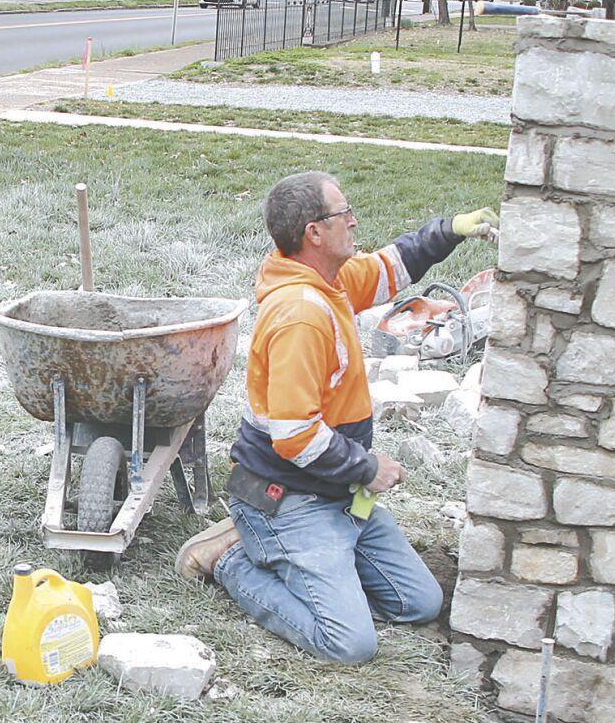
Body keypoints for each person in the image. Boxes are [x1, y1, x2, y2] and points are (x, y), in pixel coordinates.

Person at [175, 170, 498, 663]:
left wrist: (450, 228)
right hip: (286, 497)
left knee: (419, 603)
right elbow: (294, 435)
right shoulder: (300, 316)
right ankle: (231, 559)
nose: (354, 220)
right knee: (348, 642)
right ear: (314, 233)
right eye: (343, 213)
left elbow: (392, 267)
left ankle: (312, 555)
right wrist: (369, 468)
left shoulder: (330, 279)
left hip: (334, 492)